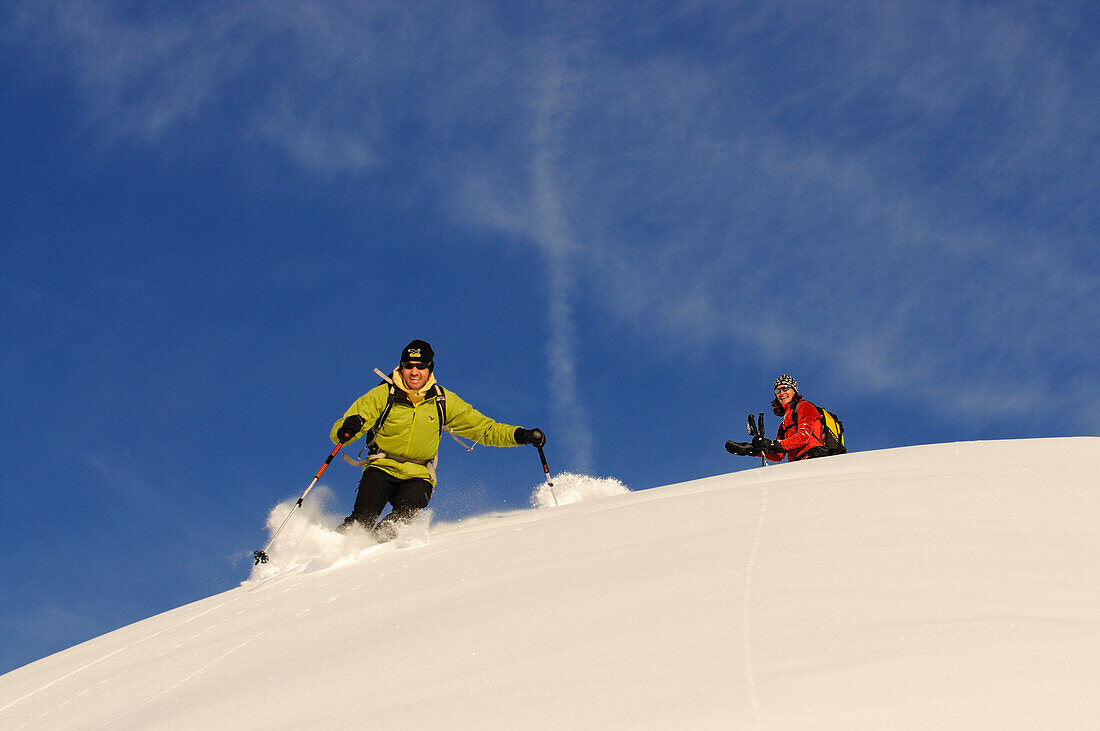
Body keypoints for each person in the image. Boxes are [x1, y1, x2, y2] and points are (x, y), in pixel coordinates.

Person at [332, 339, 545, 541]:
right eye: (409, 365)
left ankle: (371, 559)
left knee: (397, 524)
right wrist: (348, 428)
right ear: (401, 367)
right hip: (381, 467)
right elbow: (344, 428)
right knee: (360, 522)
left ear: (430, 368)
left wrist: (521, 435)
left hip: (418, 476)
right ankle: (327, 552)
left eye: (421, 366)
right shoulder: (382, 395)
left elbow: (484, 429)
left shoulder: (442, 401)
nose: (414, 372)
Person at [725, 374, 829, 462]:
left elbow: (803, 437)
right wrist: (754, 450)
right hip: (796, 465)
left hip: (813, 460)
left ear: (794, 390)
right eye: (777, 391)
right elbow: (779, 455)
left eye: (785, 388)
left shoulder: (805, 406)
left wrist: (772, 445)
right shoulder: (784, 423)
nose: (781, 393)